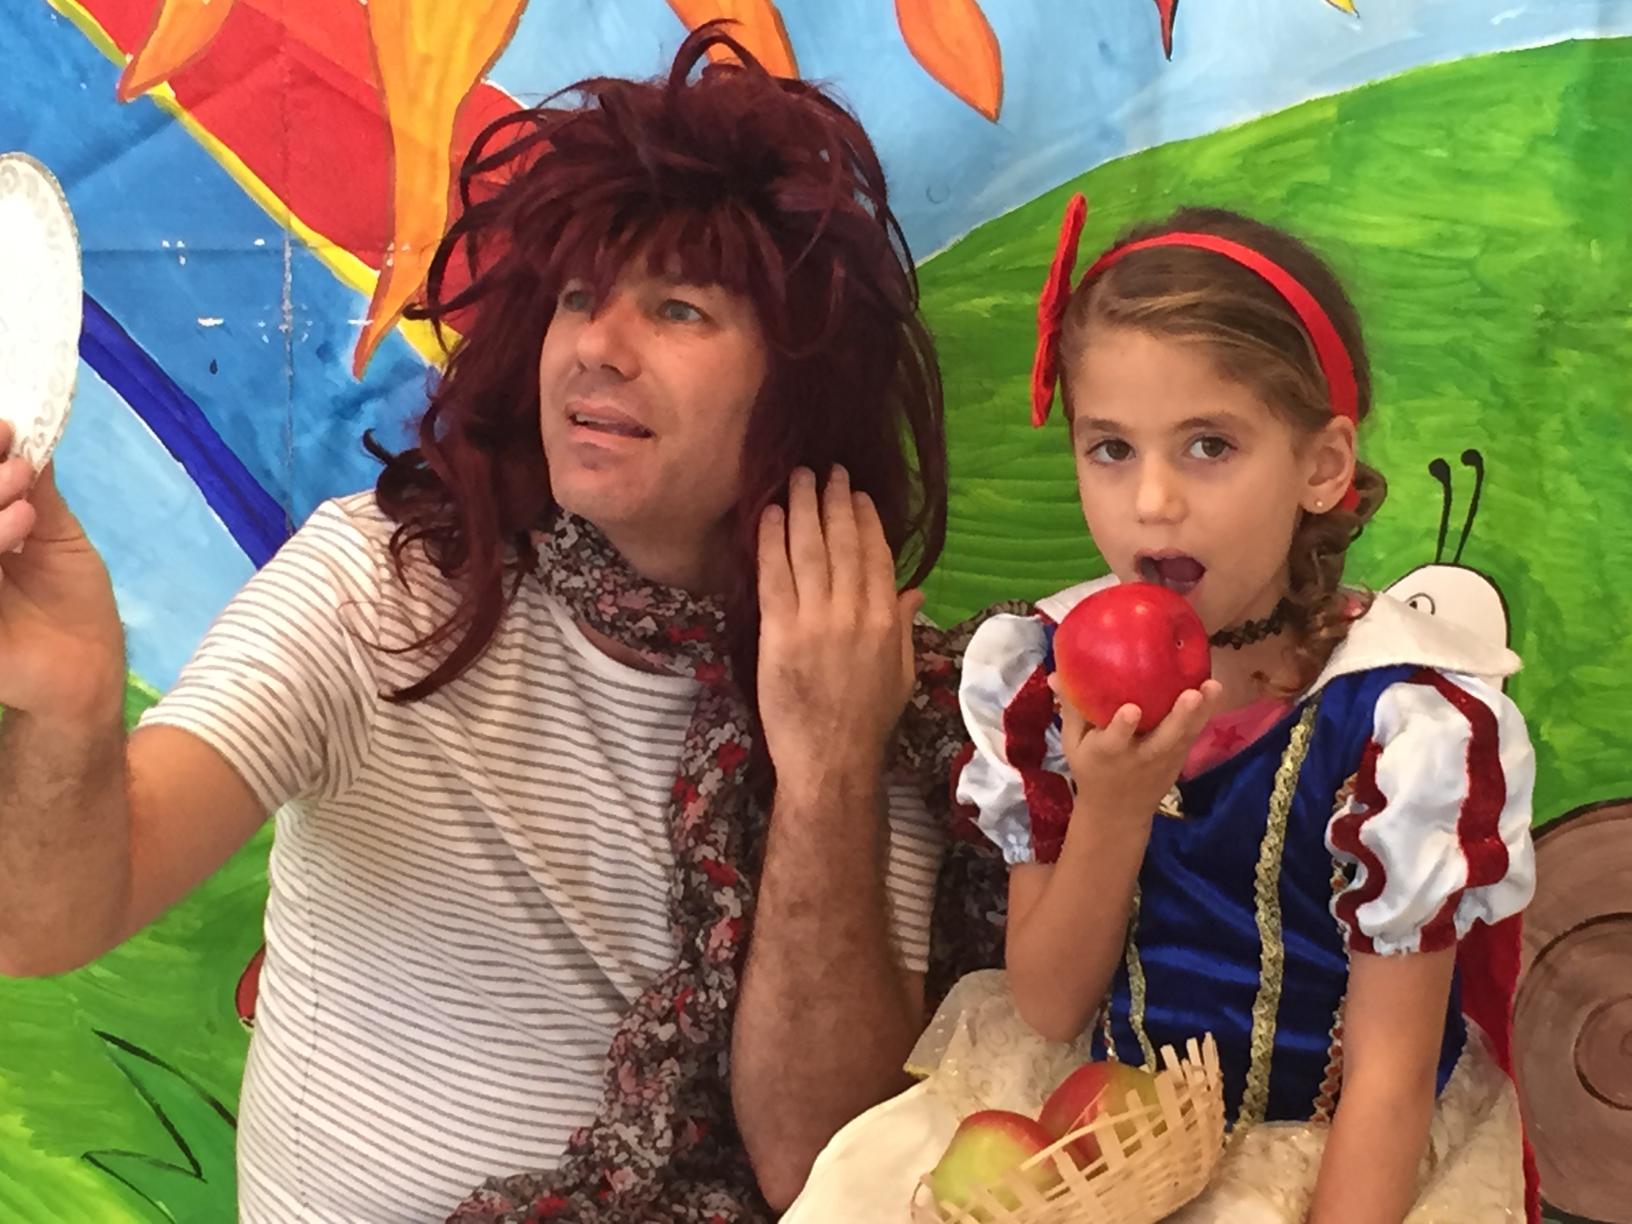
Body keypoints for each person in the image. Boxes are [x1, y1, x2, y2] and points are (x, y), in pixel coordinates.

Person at [0, 28, 999, 1222]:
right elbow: (48, 919)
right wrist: (69, 709)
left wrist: (829, 766)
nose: (596, 348)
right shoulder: (381, 585)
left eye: (678, 309)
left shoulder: (859, 665)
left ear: (798, 383)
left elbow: (821, 1171)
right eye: (577, 298)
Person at [951, 195, 1540, 1221]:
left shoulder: (1400, 723)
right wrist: (1112, 807)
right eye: (1111, 448)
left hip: (1330, 1160)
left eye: (1209, 446)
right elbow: (1047, 1003)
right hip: (1115, 1139)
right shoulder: (1047, 676)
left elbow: (1391, 1081)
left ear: (1321, 467)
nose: (1153, 503)